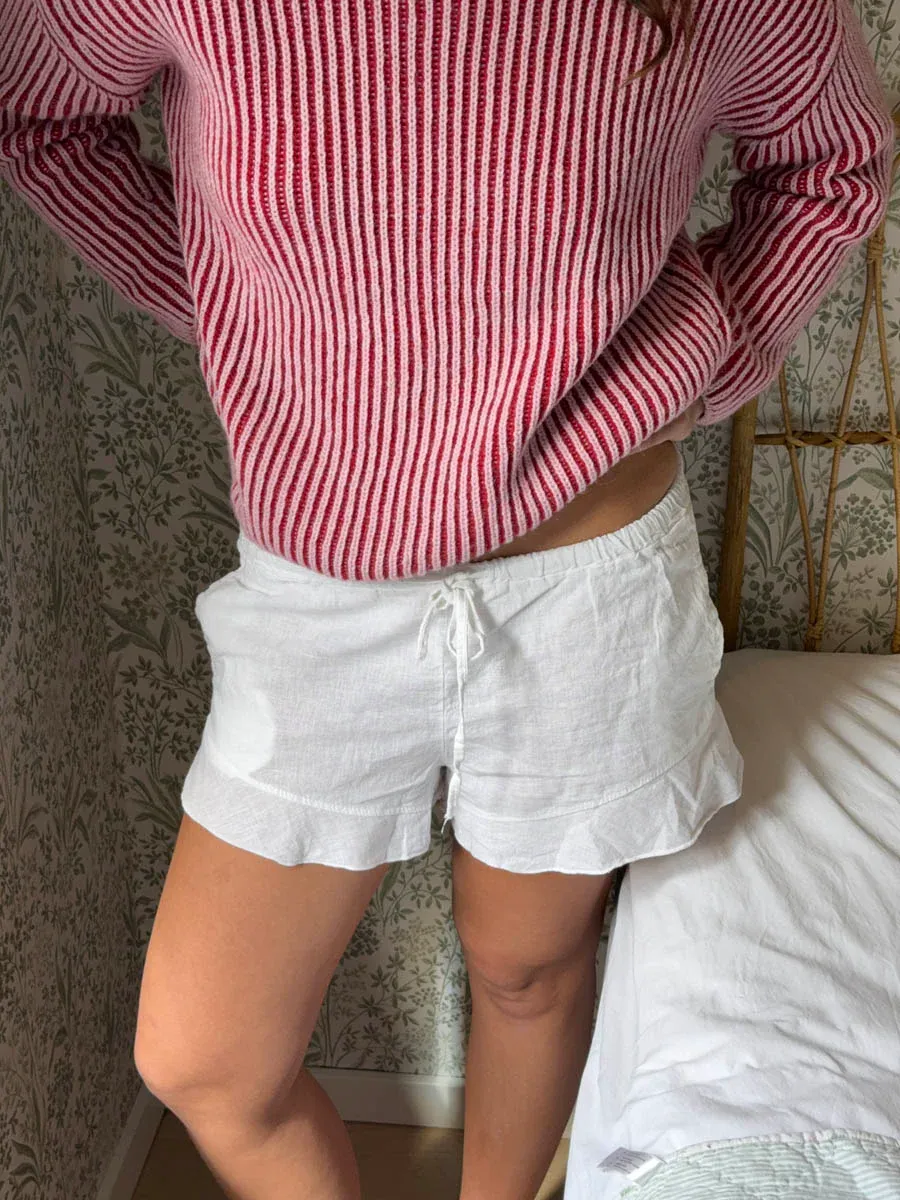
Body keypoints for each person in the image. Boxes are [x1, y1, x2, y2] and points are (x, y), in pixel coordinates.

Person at [1, 1, 893, 1197]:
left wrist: (710, 355)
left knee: (527, 971)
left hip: (588, 582)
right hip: (322, 590)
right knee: (206, 1054)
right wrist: (232, 311)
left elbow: (829, 157)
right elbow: (46, 117)